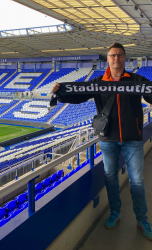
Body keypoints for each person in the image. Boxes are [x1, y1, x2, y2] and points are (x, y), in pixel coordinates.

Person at [51, 43, 152, 241]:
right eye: (113, 55)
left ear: (125, 58)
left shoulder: (136, 80)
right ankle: (115, 213)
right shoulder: (98, 82)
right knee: (111, 178)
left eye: (120, 55)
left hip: (133, 139)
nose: (116, 58)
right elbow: (79, 95)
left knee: (137, 181)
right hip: (107, 139)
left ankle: (142, 219)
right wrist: (60, 93)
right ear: (108, 59)